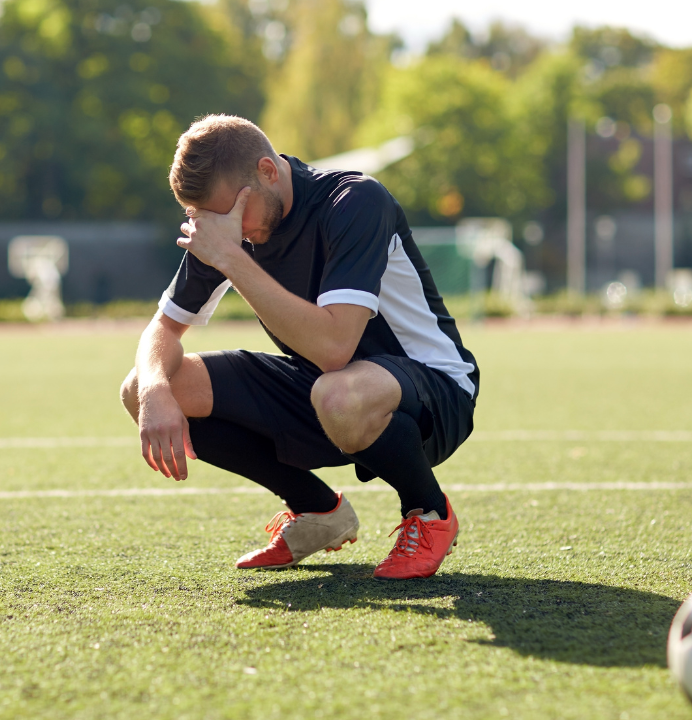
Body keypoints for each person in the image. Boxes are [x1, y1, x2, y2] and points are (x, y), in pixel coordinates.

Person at [119, 115, 478, 579]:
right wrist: (153, 393)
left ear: (267, 171)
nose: (232, 231)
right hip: (324, 389)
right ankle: (317, 511)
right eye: (208, 219)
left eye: (232, 216)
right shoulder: (228, 223)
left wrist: (230, 257)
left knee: (339, 393)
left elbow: (334, 347)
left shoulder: (355, 201)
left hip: (432, 388)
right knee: (145, 385)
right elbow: (162, 330)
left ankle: (429, 513)